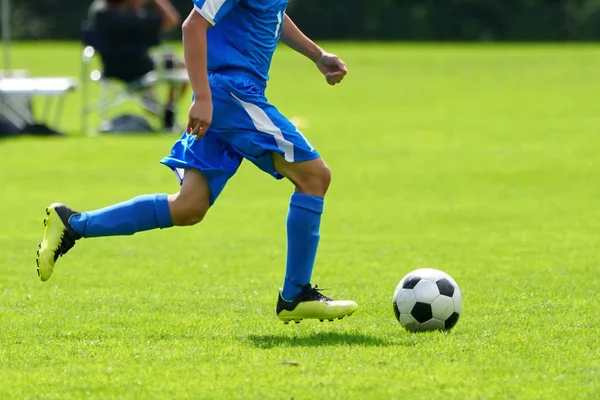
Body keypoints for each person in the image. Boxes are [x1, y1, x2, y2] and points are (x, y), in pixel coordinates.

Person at [37, 0, 358, 324]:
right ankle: (296, 295)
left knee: (188, 206)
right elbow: (192, 26)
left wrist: (317, 55)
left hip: (228, 95)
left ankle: (73, 225)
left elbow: (272, 12)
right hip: (231, 95)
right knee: (314, 177)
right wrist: (203, 98)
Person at [87, 0, 186, 128]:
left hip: (110, 68)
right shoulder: (134, 20)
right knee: (181, 66)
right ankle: (168, 111)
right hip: (140, 68)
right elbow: (172, 20)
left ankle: (156, 105)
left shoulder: (98, 13)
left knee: (160, 67)